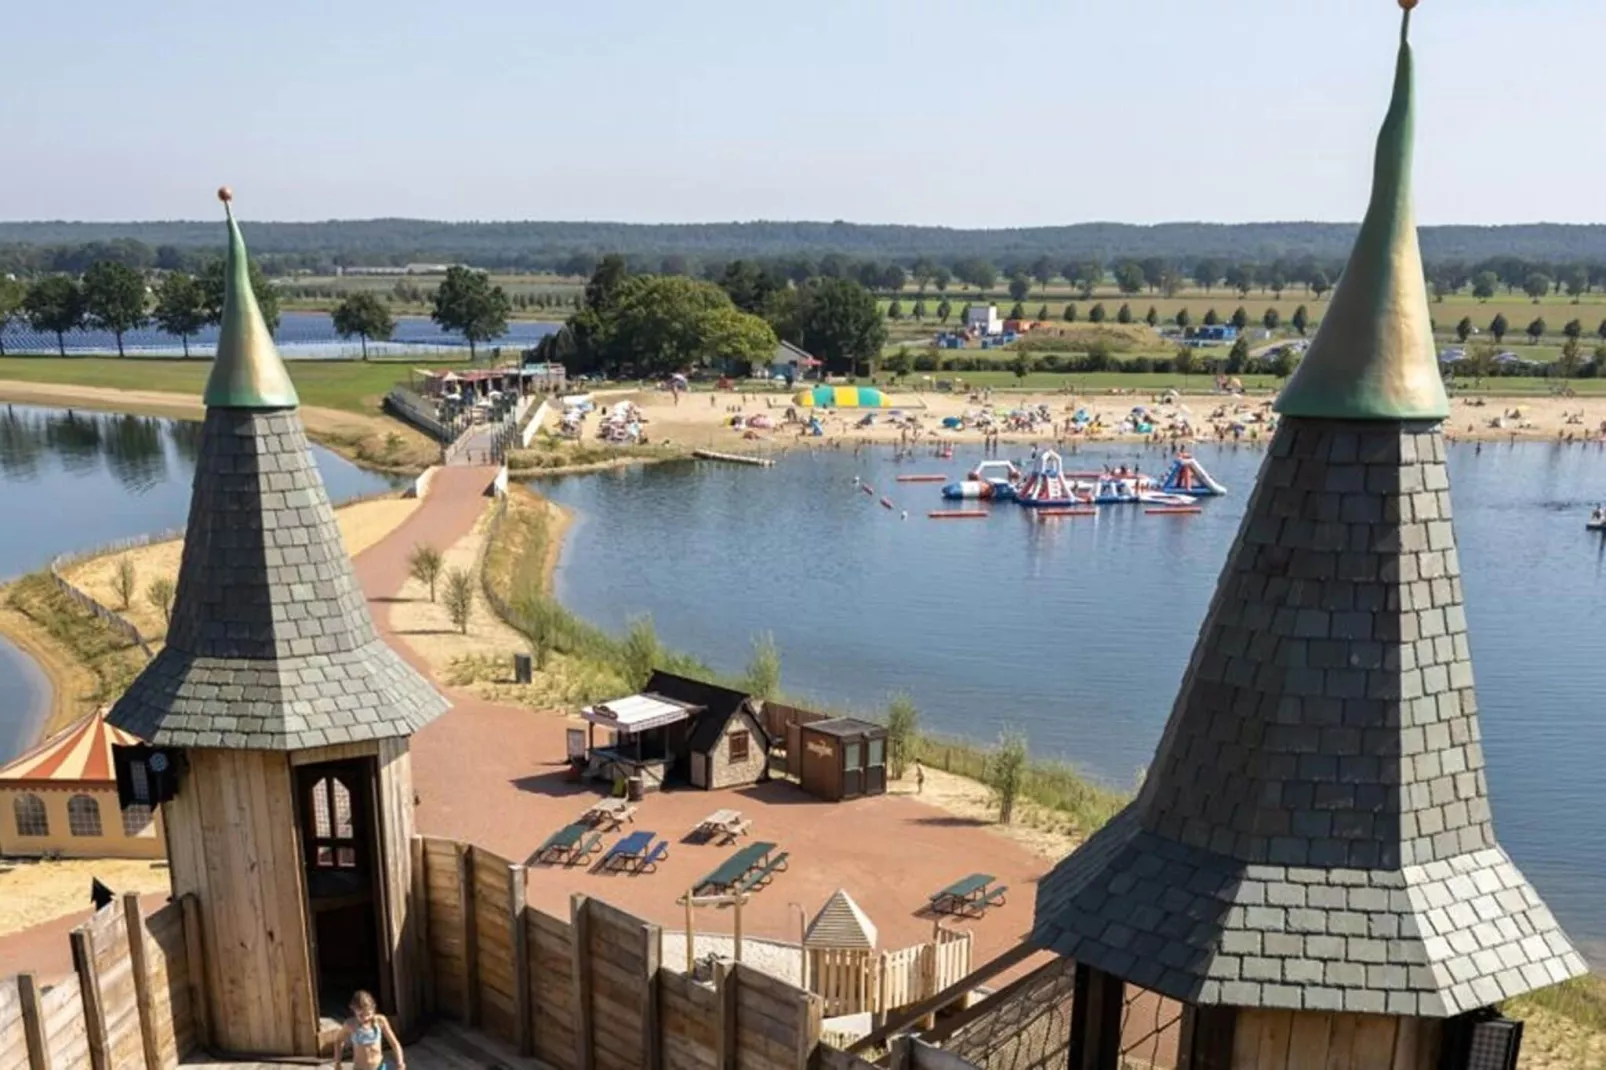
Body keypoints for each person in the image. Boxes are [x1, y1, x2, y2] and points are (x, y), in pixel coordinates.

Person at [333, 990, 404, 1070]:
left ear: (373, 1008)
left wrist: (400, 1063)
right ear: (354, 1010)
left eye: (368, 1014)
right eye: (361, 1015)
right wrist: (337, 1063)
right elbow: (338, 1041)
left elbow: (394, 1043)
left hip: (378, 1067)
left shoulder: (380, 1021)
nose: (365, 1018)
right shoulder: (350, 1025)